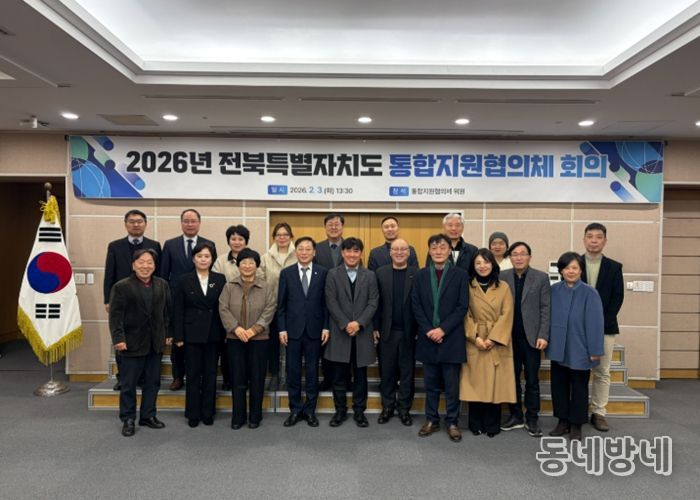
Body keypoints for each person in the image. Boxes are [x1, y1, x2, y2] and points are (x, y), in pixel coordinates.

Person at [412, 234, 469, 443]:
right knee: (431, 384)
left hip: (451, 337)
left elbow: (462, 306)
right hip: (428, 337)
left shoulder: (460, 275)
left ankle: (452, 421)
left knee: (452, 385)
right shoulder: (420, 275)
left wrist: (442, 329)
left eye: (442, 247)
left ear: (449, 250)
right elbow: (416, 305)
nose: (438, 251)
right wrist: (429, 330)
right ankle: (431, 419)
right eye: (434, 248)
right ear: (429, 251)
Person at [108, 249, 171, 437]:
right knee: (129, 385)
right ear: (133, 265)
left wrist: (168, 333)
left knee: (153, 382)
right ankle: (128, 419)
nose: (145, 266)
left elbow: (167, 312)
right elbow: (115, 317)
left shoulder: (162, 285)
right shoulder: (121, 287)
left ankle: (148, 416)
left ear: (155, 265)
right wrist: (118, 339)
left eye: (149, 262)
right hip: (131, 343)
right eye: (141, 262)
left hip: (155, 342)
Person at [547, 252, 604, 441]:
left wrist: (595, 350)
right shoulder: (554, 290)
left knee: (579, 387)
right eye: (566, 268)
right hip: (558, 346)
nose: (570, 271)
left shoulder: (590, 292)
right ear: (561, 271)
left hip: (580, 347)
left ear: (581, 270)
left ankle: (577, 424)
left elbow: (596, 323)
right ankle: (562, 420)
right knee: (559, 386)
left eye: (574, 268)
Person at [103, 209, 162, 391]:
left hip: (147, 298)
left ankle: (143, 377)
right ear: (126, 224)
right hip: (123, 298)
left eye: (139, 221)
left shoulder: (155, 245)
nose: (136, 224)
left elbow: (158, 273)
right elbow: (109, 273)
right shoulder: (115, 246)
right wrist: (108, 299)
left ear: (145, 224)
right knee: (123, 337)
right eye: (132, 221)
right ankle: (123, 377)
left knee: (145, 339)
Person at [219, 248, 277, 429]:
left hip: (259, 339)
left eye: (251, 262)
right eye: (244, 262)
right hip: (235, 338)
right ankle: (238, 417)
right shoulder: (229, 286)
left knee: (257, 379)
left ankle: (255, 416)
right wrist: (236, 329)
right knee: (238, 378)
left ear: (256, 265)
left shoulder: (266, 287)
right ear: (238, 265)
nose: (247, 265)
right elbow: (223, 308)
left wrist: (254, 330)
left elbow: (270, 309)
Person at [460, 248, 515, 438]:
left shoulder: (504, 287)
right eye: (478, 263)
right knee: (475, 383)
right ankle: (475, 423)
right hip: (474, 339)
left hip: (497, 340)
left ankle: (492, 424)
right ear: (473, 266)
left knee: (495, 384)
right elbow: (464, 313)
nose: (482, 266)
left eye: (486, 262)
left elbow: (507, 314)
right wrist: (475, 336)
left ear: (493, 264)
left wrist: (493, 338)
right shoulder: (467, 286)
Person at [160, 209, 217, 391]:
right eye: (186, 221)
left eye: (193, 221)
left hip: (200, 302)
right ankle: (178, 376)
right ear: (181, 223)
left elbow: (211, 273)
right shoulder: (170, 244)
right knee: (178, 340)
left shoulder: (208, 244)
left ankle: (199, 377)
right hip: (177, 300)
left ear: (199, 223)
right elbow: (163, 274)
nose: (190, 224)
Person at [324, 237, 379, 428]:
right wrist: (346, 324)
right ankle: (340, 411)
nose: (352, 254)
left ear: (361, 253)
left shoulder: (370, 275)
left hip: (362, 333)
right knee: (339, 375)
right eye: (348, 251)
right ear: (342, 253)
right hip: (340, 332)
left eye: (356, 251)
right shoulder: (332, 274)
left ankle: (359, 411)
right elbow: (330, 301)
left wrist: (359, 323)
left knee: (360, 376)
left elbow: (373, 301)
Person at [172, 242, 226, 428]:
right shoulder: (183, 280)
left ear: (212, 259)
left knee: (210, 374)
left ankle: (208, 412)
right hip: (191, 334)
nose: (203, 259)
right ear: (193, 259)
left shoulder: (220, 279)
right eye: (200, 256)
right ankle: (193, 413)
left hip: (214, 333)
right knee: (193, 375)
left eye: (207, 256)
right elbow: (178, 309)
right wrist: (178, 336)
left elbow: (223, 307)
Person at [277, 236, 329, 427]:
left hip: (315, 330)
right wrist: (282, 328)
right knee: (293, 371)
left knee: (313, 372)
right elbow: (281, 305)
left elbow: (326, 304)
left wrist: (326, 326)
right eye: (301, 249)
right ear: (296, 251)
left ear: (314, 252)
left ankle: (310, 411)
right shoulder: (286, 273)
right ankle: (295, 410)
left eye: (308, 249)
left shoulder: (323, 273)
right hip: (292, 331)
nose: (304, 252)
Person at [499, 241, 551, 437]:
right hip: (508, 338)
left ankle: (532, 417)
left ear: (530, 257)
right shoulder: (502, 277)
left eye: (523, 254)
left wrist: (543, 334)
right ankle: (515, 415)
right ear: (510, 257)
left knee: (532, 380)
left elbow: (546, 308)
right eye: (515, 254)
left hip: (532, 338)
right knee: (511, 379)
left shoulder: (541, 278)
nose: (519, 257)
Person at [581, 222, 624, 432]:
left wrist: (598, 323)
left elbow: (617, 299)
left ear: (605, 241)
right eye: (590, 236)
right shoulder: (574, 263)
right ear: (584, 240)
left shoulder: (614, 267)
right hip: (578, 329)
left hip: (605, 327)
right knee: (578, 370)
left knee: (602, 372)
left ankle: (598, 412)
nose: (594, 241)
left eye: (598, 237)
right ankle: (578, 410)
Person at [373, 238, 418, 426]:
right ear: (390, 252)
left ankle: (404, 409)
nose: (399, 252)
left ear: (409, 253)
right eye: (395, 249)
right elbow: (375, 302)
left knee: (407, 373)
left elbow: (421, 303)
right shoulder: (380, 273)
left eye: (403, 249)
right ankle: (388, 407)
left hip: (409, 332)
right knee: (387, 372)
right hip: (387, 332)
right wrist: (375, 327)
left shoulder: (417, 273)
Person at [212, 224, 251, 391]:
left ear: (246, 241)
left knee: (248, 347)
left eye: (240, 239)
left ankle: (246, 379)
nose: (237, 242)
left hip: (249, 310)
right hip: (227, 309)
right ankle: (228, 379)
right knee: (227, 348)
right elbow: (216, 283)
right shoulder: (221, 261)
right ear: (228, 241)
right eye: (233, 239)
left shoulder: (253, 258)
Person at [260, 222, 297, 391]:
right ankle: (275, 374)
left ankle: (290, 375)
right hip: (273, 307)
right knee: (273, 343)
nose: (282, 237)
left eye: (285, 234)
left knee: (293, 343)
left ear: (291, 237)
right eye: (278, 235)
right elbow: (260, 282)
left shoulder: (299, 254)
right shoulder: (266, 257)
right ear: (274, 237)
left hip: (294, 308)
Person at [314, 213, 345, 390]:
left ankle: (345, 379)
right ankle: (327, 378)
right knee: (324, 342)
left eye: (337, 224)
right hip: (321, 302)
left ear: (342, 227)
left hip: (345, 303)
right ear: (325, 227)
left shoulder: (350, 247)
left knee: (344, 342)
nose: (334, 227)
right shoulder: (317, 248)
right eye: (330, 224)